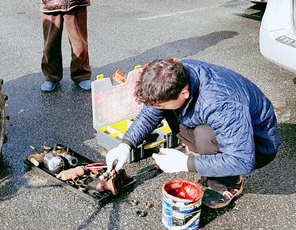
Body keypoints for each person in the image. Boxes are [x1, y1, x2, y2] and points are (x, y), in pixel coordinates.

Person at [106, 58, 281, 209]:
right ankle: (210, 160)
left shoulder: (221, 103)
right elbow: (151, 112)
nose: (155, 108)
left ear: (184, 93)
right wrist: (126, 145)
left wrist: (186, 163)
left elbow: (242, 160)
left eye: (159, 104)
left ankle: (228, 184)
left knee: (205, 135)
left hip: (257, 145)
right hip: (222, 124)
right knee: (169, 111)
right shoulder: (176, 74)